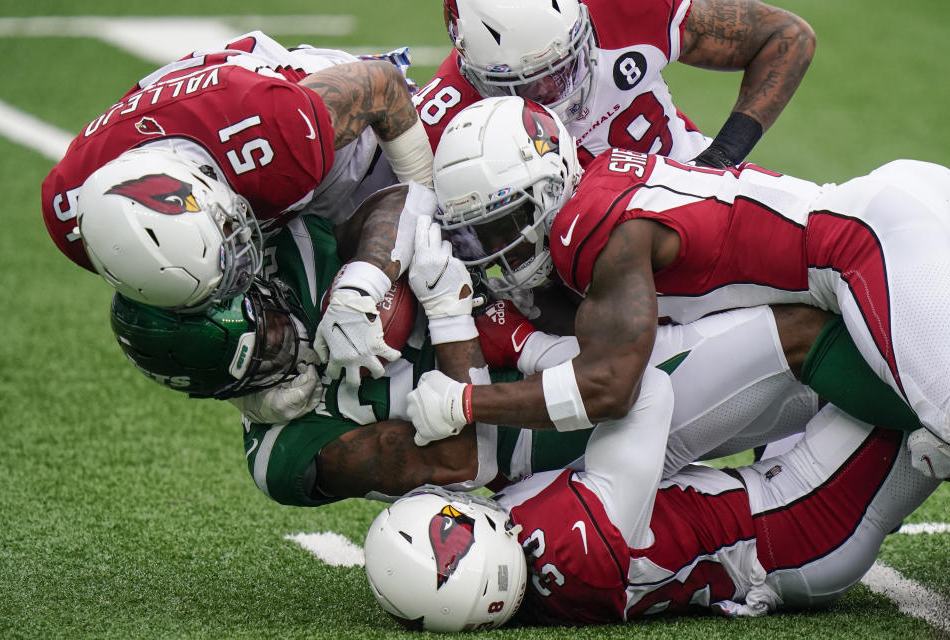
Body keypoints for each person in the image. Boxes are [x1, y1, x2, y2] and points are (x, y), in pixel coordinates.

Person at [108, 190, 918, 505]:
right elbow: (446, 456)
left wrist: (368, 272)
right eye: (269, 350)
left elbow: (388, 201)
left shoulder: (291, 260)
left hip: (551, 348)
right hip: (553, 459)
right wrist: (447, 306)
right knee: (800, 340)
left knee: (804, 333)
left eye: (274, 318)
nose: (289, 333)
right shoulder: (282, 456)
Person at [409, 96, 949, 480]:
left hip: (870, 245)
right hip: (878, 230)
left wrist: (465, 402)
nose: (496, 247)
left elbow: (610, 388)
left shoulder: (593, 232)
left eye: (506, 223)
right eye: (479, 233)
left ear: (549, 190)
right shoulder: (595, 189)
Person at [365, 371, 940, 631]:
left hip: (775, 513)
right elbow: (646, 392)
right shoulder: (570, 542)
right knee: (923, 374)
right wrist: (538, 353)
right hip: (799, 521)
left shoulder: (537, 586)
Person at [41, 31, 436, 383]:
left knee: (443, 249)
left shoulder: (273, 134)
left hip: (342, 142)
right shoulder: (69, 215)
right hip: (245, 153)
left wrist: (425, 210)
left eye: (230, 236)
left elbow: (384, 85)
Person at [417, 0, 815, 168]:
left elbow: (787, 38)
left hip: (698, 196)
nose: (552, 91)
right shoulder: (442, 114)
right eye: (525, 84)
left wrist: (718, 161)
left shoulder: (617, 8)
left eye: (563, 66)